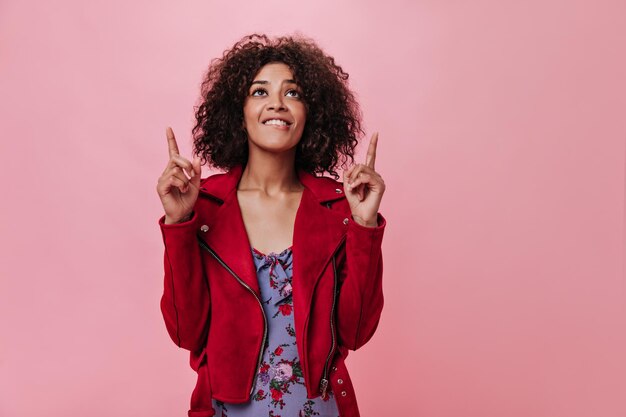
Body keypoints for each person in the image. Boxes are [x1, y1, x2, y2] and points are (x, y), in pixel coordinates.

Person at [156, 34, 386, 417]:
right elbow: (186, 333)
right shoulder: (204, 206)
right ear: (238, 111)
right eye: (260, 92)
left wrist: (364, 229)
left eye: (293, 93)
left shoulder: (337, 207)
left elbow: (355, 332)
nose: (277, 103)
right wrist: (179, 224)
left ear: (312, 113)